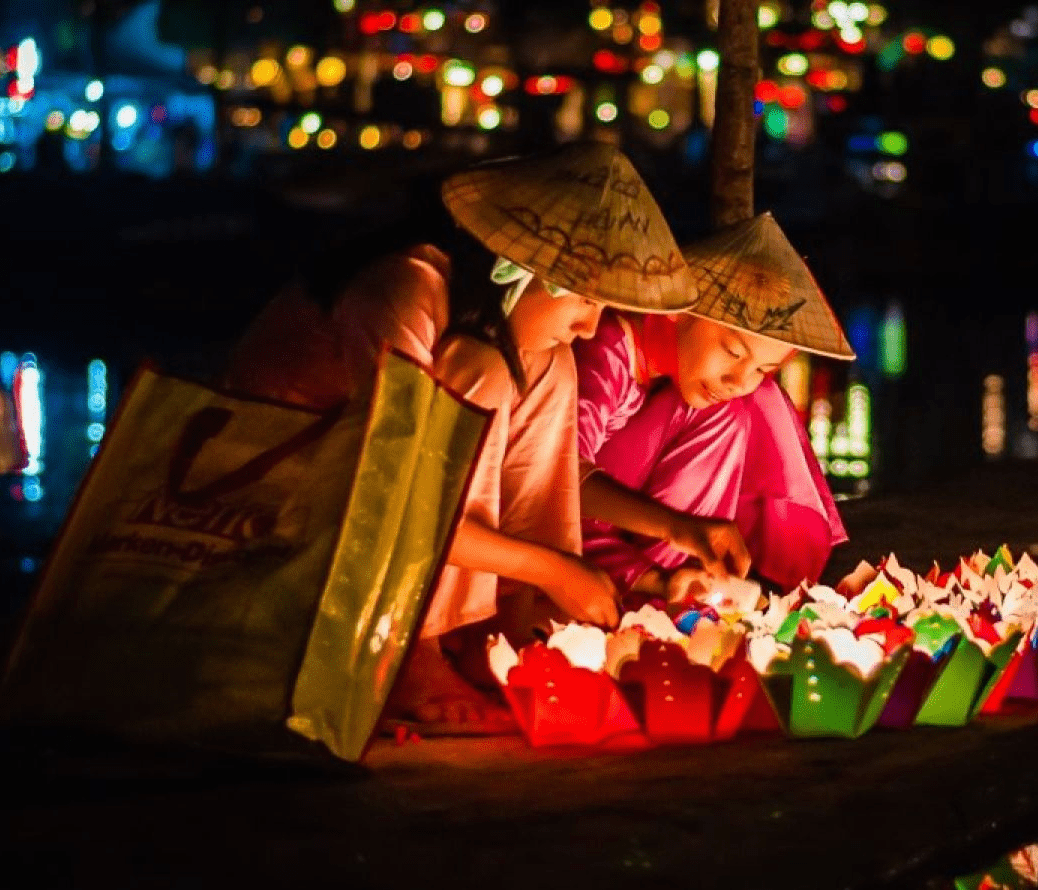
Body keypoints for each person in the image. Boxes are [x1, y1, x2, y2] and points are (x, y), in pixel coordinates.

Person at [223, 141, 697, 732]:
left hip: (368, 498)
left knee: (551, 367)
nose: (588, 326)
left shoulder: (498, 325)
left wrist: (560, 571)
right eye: (583, 299)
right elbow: (397, 499)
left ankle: (500, 629)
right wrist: (556, 569)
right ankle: (410, 651)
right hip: (275, 494)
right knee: (492, 369)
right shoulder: (404, 291)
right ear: (515, 271)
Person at [575, 212, 853, 604]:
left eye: (763, 368)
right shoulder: (606, 348)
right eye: (733, 352)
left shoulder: (673, 377)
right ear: (679, 306)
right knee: (717, 410)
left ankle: (684, 584)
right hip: (561, 528)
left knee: (736, 406)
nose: (739, 379)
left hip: (610, 532)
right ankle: (671, 588)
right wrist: (678, 527)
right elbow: (560, 474)